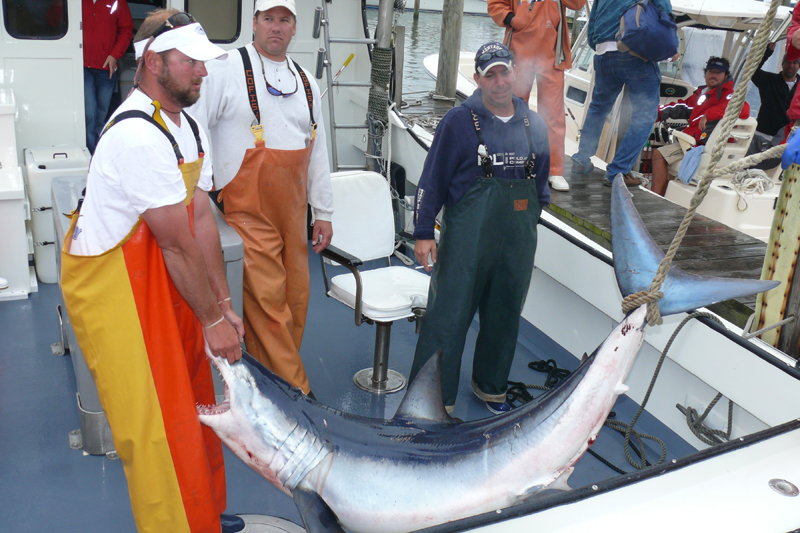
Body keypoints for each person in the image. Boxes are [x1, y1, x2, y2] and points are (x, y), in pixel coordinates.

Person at [61, 10, 246, 533]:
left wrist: (222, 307)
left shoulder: (185, 126)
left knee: (195, 405)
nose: (203, 74)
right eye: (191, 62)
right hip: (120, 294)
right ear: (152, 62)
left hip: (164, 284)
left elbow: (200, 219)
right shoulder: (137, 135)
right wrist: (211, 321)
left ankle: (203, 511)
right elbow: (175, 244)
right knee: (158, 430)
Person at [190, 0, 333, 396]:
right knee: (269, 303)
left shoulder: (307, 80)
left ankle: (267, 375)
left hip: (294, 213)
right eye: (268, 18)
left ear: (294, 27)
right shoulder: (223, 69)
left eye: (284, 19)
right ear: (253, 23)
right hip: (246, 210)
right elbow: (196, 125)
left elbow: (318, 149)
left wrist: (323, 210)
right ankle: (296, 395)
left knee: (296, 299)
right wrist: (200, 189)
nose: (276, 27)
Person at [409, 42, 550, 415]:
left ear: (515, 74)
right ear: (477, 79)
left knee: (505, 315)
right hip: (467, 240)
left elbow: (541, 188)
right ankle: (434, 398)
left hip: (518, 240)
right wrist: (423, 232)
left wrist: (530, 216)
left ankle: (491, 388)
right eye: (491, 74)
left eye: (505, 71)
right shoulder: (458, 121)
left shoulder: (533, 124)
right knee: (448, 316)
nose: (500, 81)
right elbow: (431, 180)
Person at [569, 0, 674, 188]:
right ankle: (618, 170)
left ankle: (581, 160)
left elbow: (593, 21)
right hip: (633, 51)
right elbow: (664, 12)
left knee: (599, 107)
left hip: (603, 53)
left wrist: (601, 46)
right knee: (644, 116)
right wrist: (671, 47)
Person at [488, 0, 587, 193]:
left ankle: (554, 169)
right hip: (518, 54)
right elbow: (495, 5)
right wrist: (513, 19)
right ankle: (507, 162)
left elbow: (577, 4)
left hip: (552, 55)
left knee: (553, 114)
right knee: (511, 111)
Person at [650, 57, 750, 196]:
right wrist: (657, 112)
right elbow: (683, 107)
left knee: (659, 155)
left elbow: (743, 109)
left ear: (726, 76)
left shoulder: (730, 94)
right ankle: (666, 196)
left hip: (702, 146)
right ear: (705, 73)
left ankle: (654, 197)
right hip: (695, 142)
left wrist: (709, 114)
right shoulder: (702, 94)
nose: (713, 75)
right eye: (711, 71)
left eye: (718, 73)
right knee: (668, 152)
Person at [82, 0, 133, 154]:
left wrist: (114, 55)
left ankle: (99, 152)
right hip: (82, 68)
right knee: (90, 113)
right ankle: (91, 154)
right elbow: (57, 18)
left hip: (107, 69)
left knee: (102, 114)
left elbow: (127, 29)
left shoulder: (118, 1)